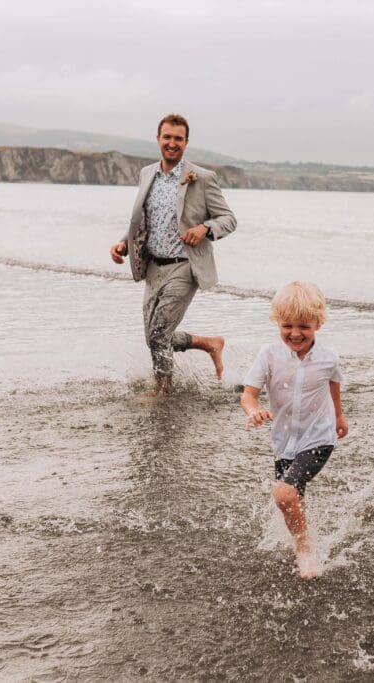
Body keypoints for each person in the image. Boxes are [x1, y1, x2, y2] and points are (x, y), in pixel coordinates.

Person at [109, 113, 236, 397]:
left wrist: (205, 228)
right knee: (154, 338)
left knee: (157, 335)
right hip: (153, 268)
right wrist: (123, 244)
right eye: (167, 137)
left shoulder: (202, 178)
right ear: (158, 139)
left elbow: (228, 219)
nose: (172, 143)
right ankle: (207, 343)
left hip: (184, 267)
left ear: (186, 142)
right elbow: (144, 221)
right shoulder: (147, 174)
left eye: (178, 138)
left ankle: (162, 390)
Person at [241, 281, 349, 579]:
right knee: (290, 499)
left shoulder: (329, 357)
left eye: (304, 326)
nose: (295, 333)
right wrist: (254, 411)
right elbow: (248, 394)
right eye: (287, 325)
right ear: (278, 322)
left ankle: (305, 552)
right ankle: (302, 540)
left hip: (319, 437)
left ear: (318, 323)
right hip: (284, 442)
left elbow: (333, 383)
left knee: (284, 492)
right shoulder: (270, 355)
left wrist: (339, 416)